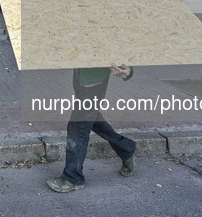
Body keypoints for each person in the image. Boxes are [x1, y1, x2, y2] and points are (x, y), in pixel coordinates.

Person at [47, 63, 136, 193]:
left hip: (94, 79)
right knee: (91, 119)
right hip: (81, 74)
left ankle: (73, 178)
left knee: (78, 126)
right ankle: (127, 148)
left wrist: (129, 68)